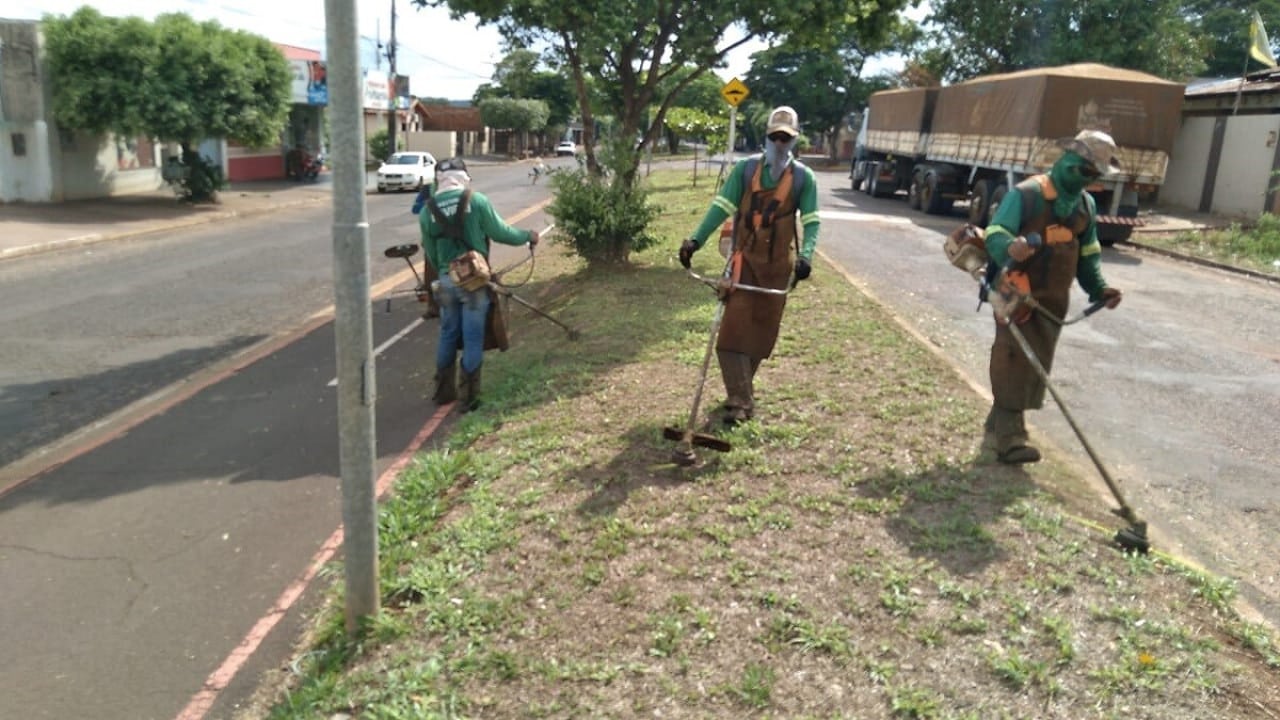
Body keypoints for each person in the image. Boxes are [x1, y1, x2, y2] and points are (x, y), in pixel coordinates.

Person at [980, 129, 1125, 464]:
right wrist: (1009, 246)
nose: (1087, 180)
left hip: (1053, 300)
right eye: (1083, 171)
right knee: (1014, 357)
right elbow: (995, 232)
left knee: (1035, 363)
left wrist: (1099, 288)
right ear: (1067, 162)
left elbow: (1088, 255)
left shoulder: (1085, 206)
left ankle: (996, 424)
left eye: (1094, 175)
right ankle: (1011, 439)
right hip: (1015, 293)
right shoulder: (1027, 194)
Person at [678, 105, 820, 426]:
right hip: (743, 264)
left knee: (760, 336)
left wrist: (807, 256)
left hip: (777, 269)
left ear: (794, 140)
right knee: (731, 334)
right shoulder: (744, 171)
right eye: (775, 137)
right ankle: (740, 400)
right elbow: (721, 207)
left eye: (786, 138)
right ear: (767, 137)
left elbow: (812, 221)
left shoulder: (803, 179)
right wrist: (695, 241)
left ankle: (741, 394)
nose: (780, 143)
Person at [419, 157, 538, 411]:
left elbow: (430, 253)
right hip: (474, 282)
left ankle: (443, 393)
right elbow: (501, 233)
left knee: (448, 333)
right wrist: (528, 236)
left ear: (438, 180)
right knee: (473, 337)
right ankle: (469, 398)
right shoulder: (476, 200)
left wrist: (446, 271)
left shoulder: (427, 211)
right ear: (463, 177)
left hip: (446, 281)